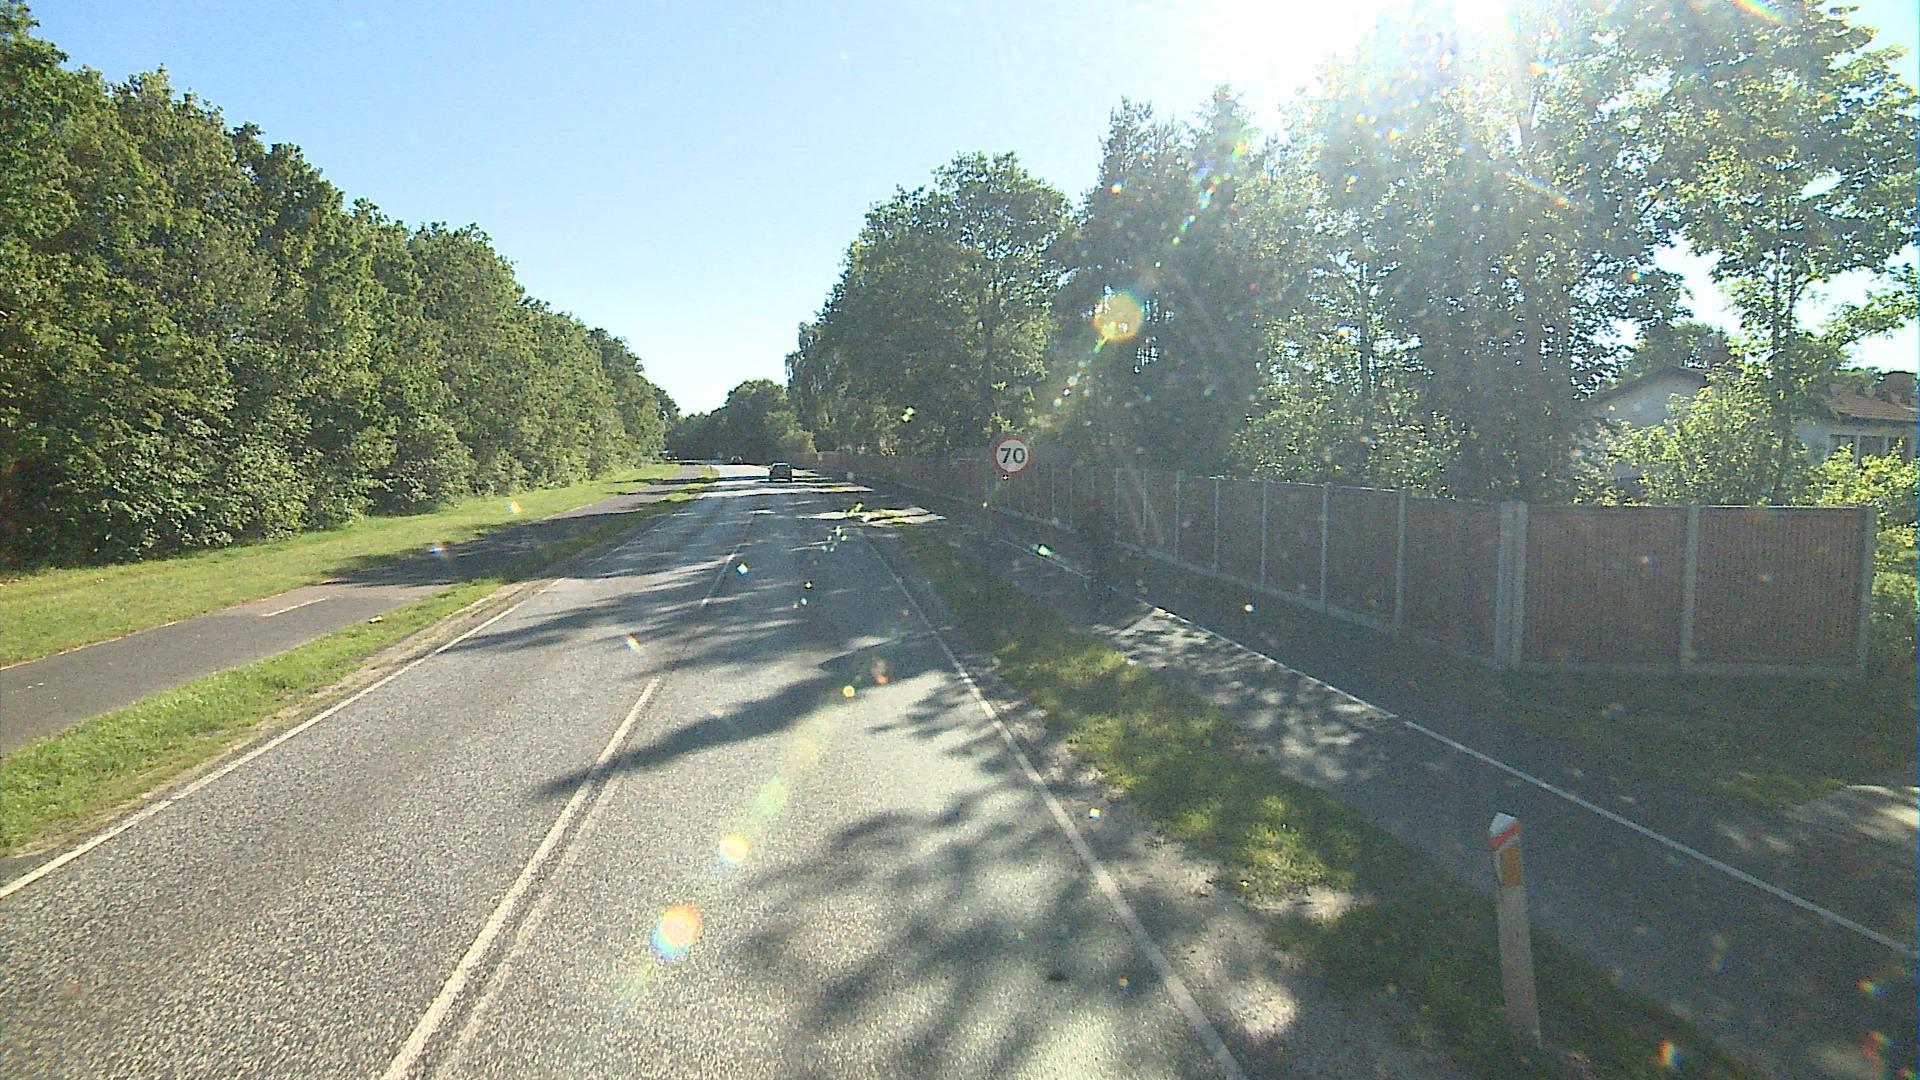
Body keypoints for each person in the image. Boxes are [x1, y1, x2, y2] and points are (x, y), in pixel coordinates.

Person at [1078, 494, 1118, 599]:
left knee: (1100, 565)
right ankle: (1097, 583)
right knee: (1097, 565)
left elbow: (1114, 527)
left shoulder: (1100, 516)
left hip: (1101, 545)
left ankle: (1100, 584)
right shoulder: (1093, 516)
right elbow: (1082, 530)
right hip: (1098, 544)